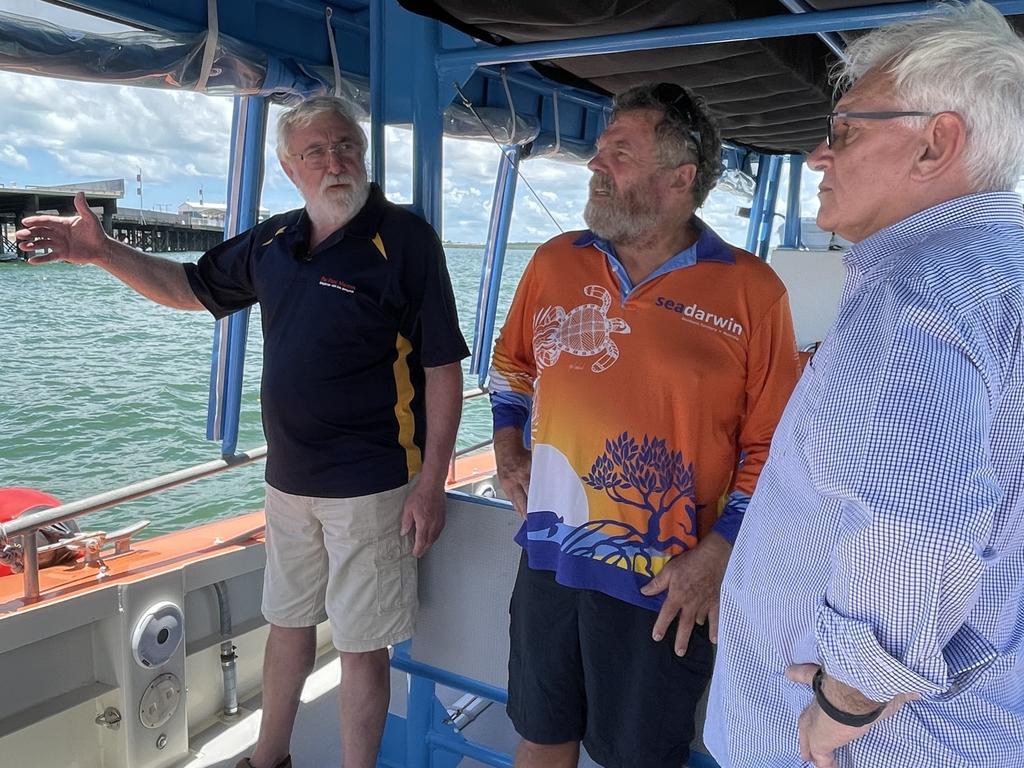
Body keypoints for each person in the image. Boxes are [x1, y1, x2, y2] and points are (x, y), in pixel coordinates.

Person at [16, 95, 468, 768]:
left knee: (361, 648)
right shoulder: (273, 242)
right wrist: (102, 251)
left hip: (371, 486)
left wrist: (430, 484)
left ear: (364, 155)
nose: (334, 161)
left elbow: (441, 367)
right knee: (285, 626)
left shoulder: (403, 241)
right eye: (314, 152)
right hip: (287, 482)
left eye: (345, 145)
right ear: (290, 168)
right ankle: (268, 761)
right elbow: (187, 286)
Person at [705, 3, 1024, 767]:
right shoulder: (1001, 274)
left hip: (873, 742)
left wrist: (844, 700)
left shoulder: (912, 289)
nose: (820, 154)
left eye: (846, 129)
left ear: (935, 144)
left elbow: (914, 528)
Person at [488, 83, 801, 768]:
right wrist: (508, 449)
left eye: (619, 155)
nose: (596, 167)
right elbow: (511, 367)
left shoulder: (752, 290)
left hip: (668, 579)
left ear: (679, 178)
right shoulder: (553, 262)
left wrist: (719, 555)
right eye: (600, 151)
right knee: (541, 734)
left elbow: (774, 445)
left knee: (637, 757)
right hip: (549, 558)